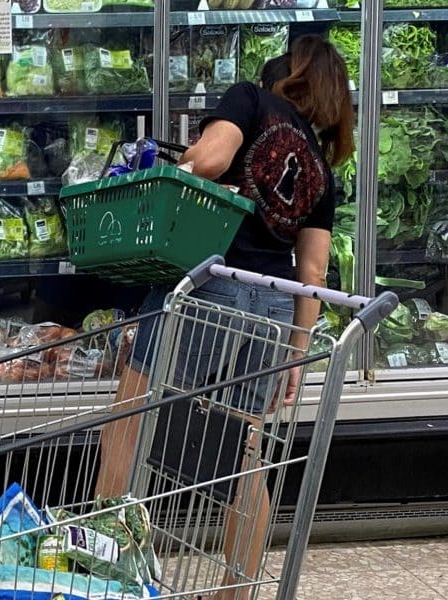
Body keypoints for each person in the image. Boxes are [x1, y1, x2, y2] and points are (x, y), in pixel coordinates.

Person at [94, 34, 353, 600]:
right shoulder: (318, 167)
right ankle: (236, 591)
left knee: (130, 424)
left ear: (281, 78)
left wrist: (167, 173)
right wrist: (295, 353)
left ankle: (104, 570)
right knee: (244, 454)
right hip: (273, 306)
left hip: (208, 288)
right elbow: (312, 270)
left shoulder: (250, 100)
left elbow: (209, 160)